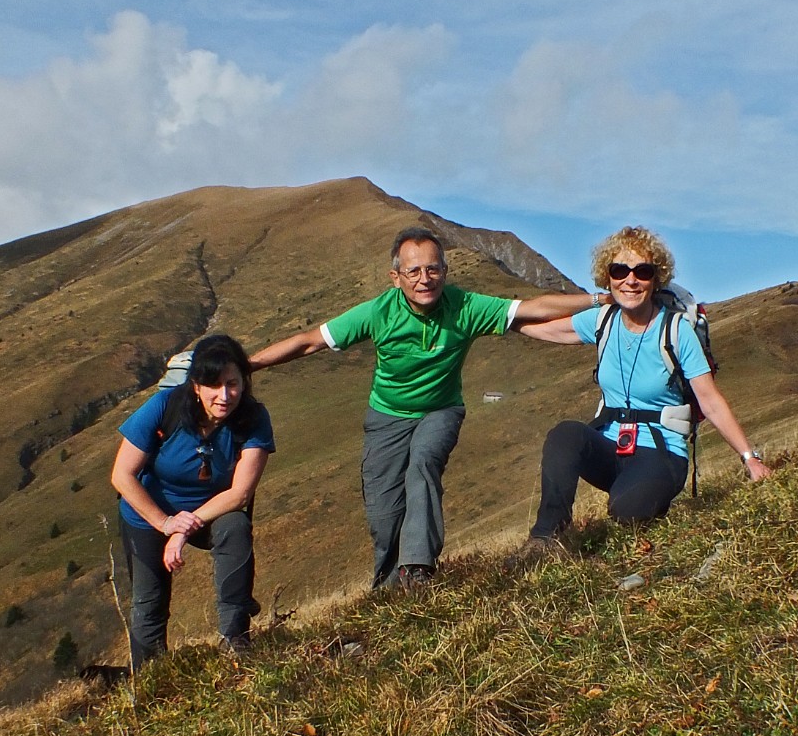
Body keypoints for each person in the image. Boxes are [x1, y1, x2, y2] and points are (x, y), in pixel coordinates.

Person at [249, 226, 595, 590]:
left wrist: (598, 300)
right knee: (384, 514)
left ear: (445, 271)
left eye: (433, 269)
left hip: (440, 411)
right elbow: (309, 342)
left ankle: (417, 569)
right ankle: (388, 587)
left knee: (423, 462)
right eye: (413, 272)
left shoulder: (465, 306)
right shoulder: (377, 312)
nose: (424, 279)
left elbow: (532, 309)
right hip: (386, 418)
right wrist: (250, 364)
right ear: (395, 278)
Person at [517, 226, 772, 547]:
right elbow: (546, 328)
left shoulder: (676, 331)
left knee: (627, 512)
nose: (631, 280)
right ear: (607, 277)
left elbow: (711, 402)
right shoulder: (602, 320)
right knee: (564, 435)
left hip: (661, 453)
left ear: (656, 278)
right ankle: (545, 538)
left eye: (643, 271)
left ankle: (648, 495)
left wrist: (750, 459)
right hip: (610, 447)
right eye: (620, 270)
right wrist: (496, 318)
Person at [110, 334, 274, 667]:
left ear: (244, 382)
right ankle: (150, 676)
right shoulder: (164, 408)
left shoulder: (253, 419)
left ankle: (235, 641)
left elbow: (240, 493)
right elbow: (122, 475)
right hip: (147, 514)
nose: (224, 395)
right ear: (196, 386)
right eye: (213, 385)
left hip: (210, 511)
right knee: (149, 600)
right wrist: (165, 523)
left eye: (232, 384)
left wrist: (183, 529)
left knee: (235, 526)